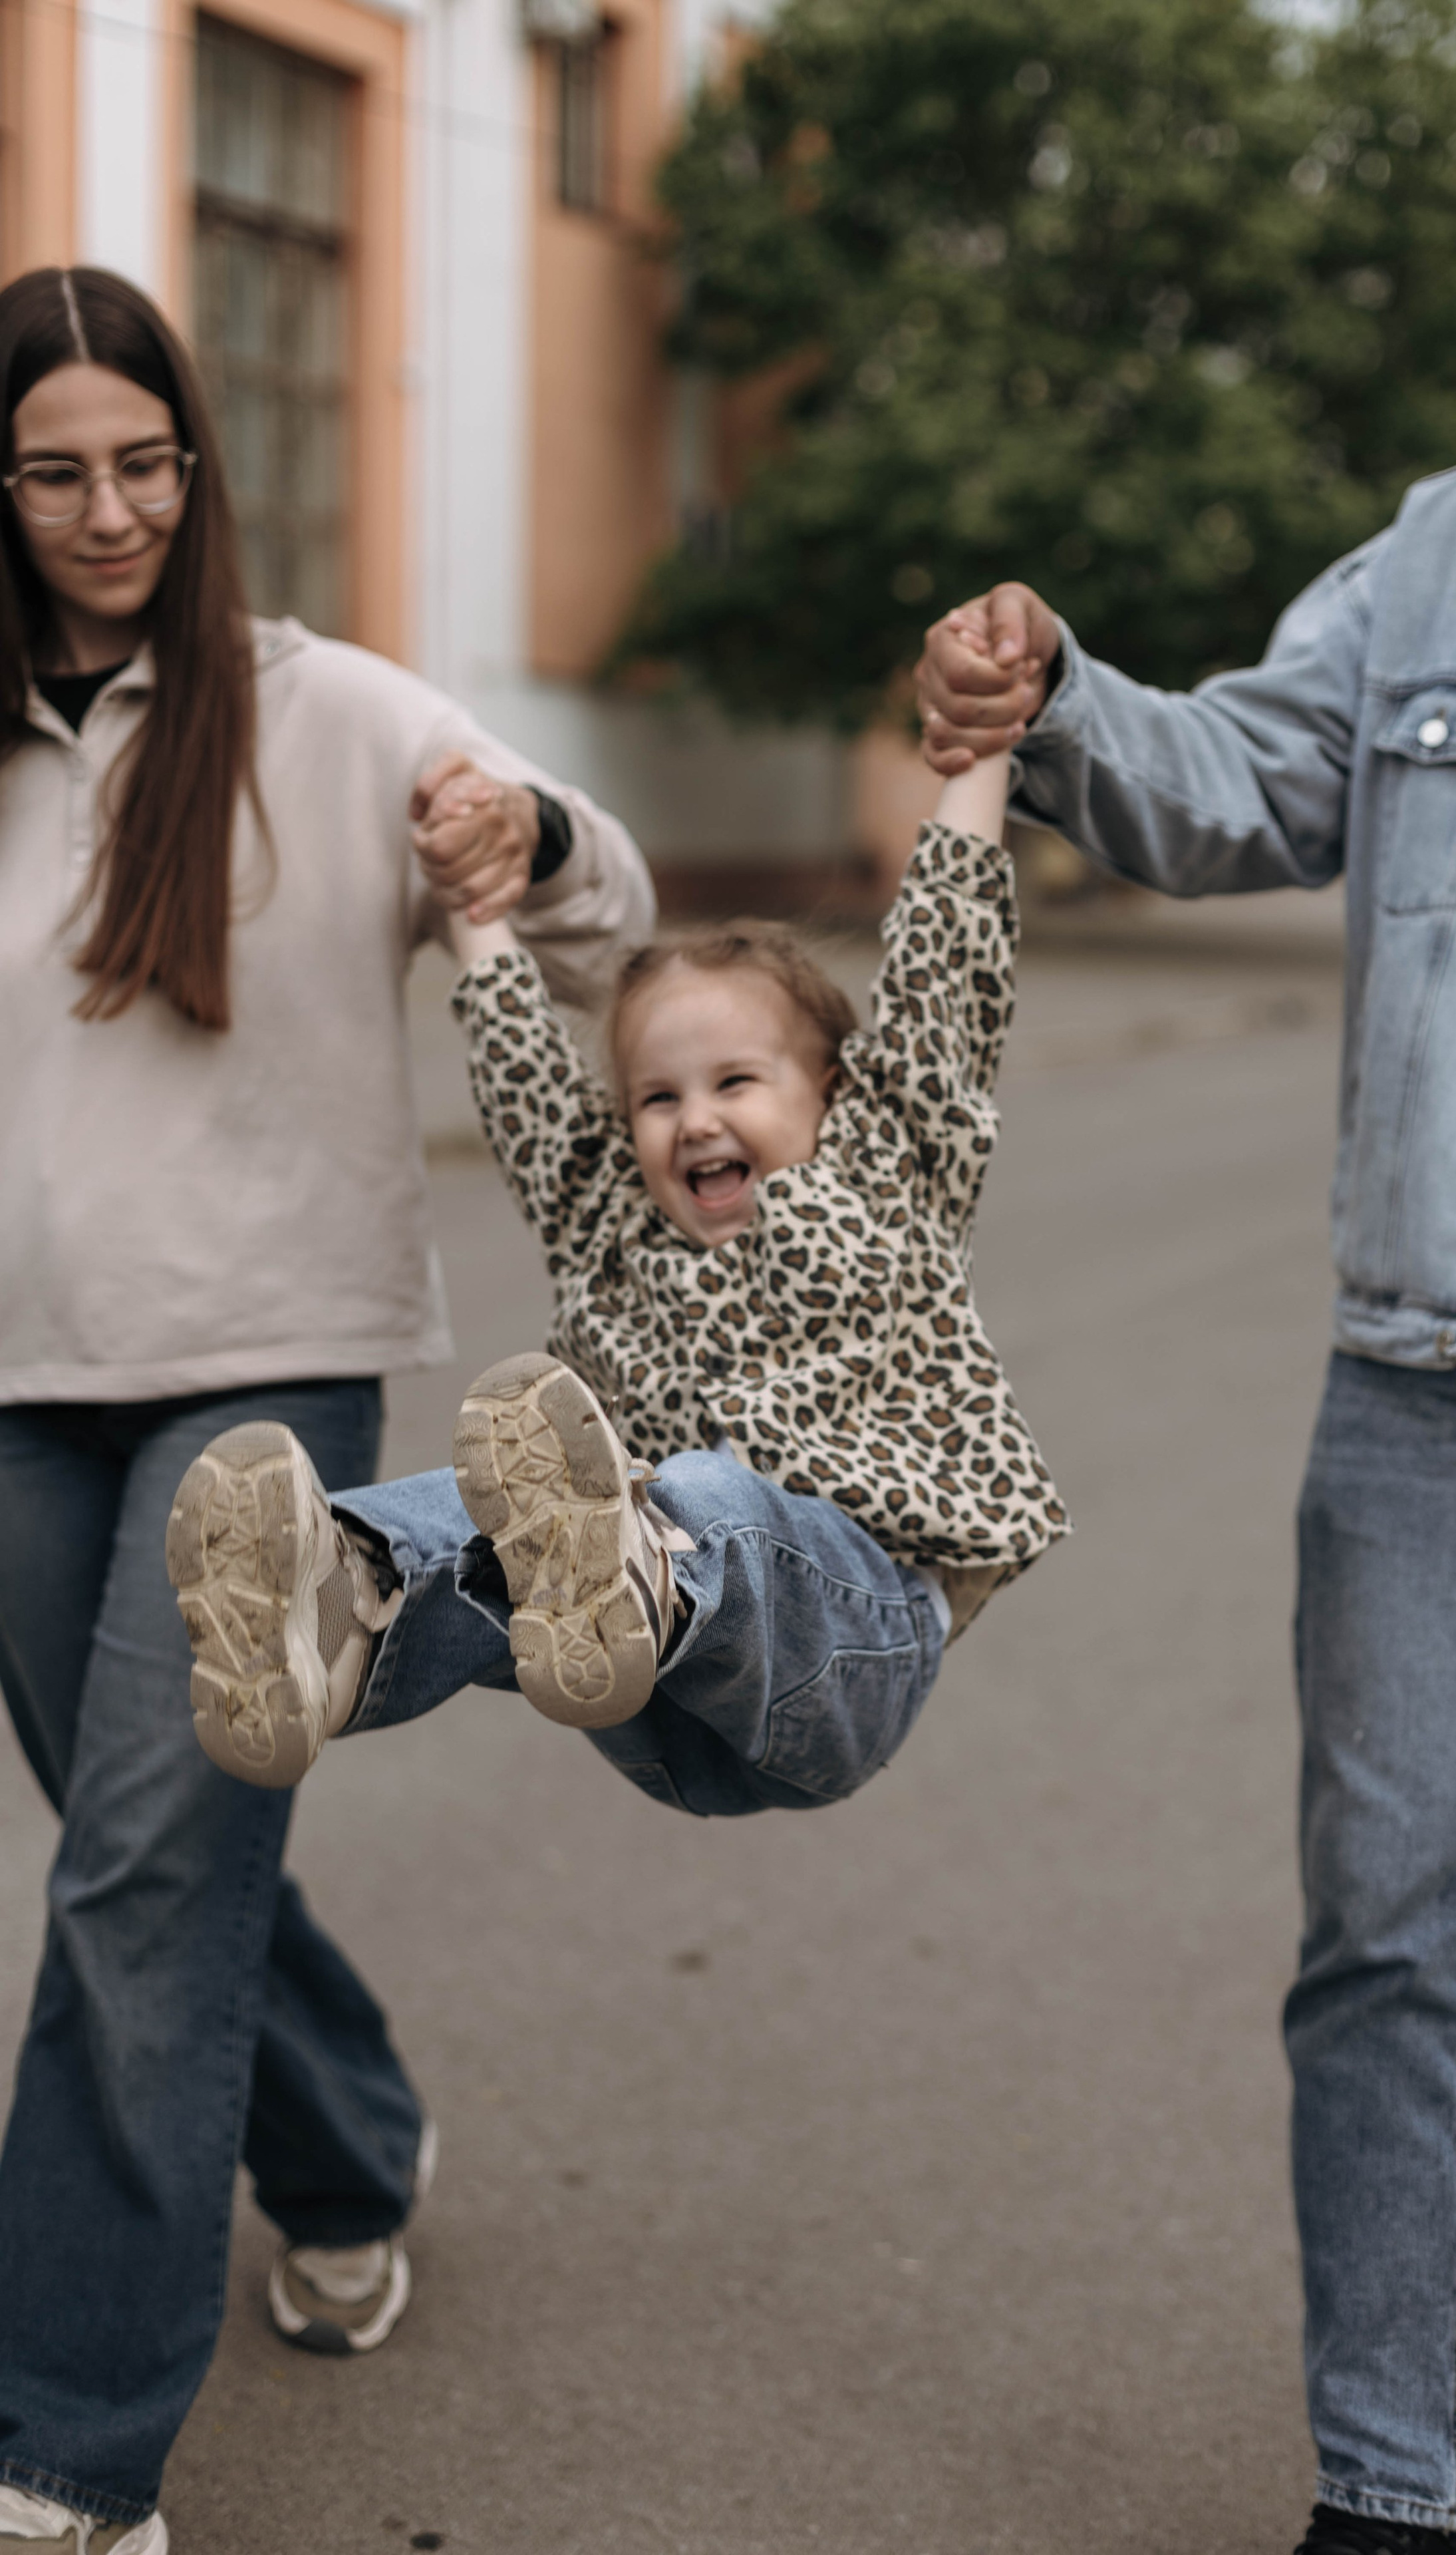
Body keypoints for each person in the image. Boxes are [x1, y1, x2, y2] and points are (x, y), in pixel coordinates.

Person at [915, 17, 1456, 2555]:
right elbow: (1248, 774)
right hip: (1448, 1379)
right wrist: (1049, 706)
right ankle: (1385, 2489)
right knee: (1386, 1946)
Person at [0, 267, 653, 2555]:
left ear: (201, 465)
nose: (111, 510)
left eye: (148, 463)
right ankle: (354, 2143)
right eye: (61, 470)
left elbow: (611, 910)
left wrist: (535, 848)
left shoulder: (331, 710)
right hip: (16, 1380)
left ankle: (65, 2449)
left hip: (262, 1360)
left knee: (144, 1880)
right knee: (136, 1860)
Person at [162, 744, 1067, 1830]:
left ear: (836, 1092)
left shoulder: (893, 1169)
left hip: (848, 1652)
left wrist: (985, 755)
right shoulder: (607, 1220)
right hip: (639, 1697)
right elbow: (520, 1072)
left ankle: (647, 1558)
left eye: (735, 1082)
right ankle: (339, 1605)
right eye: (656, 1099)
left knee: (701, 1494)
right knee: (497, 1509)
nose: (693, 1120)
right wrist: (474, 903)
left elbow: (945, 967)